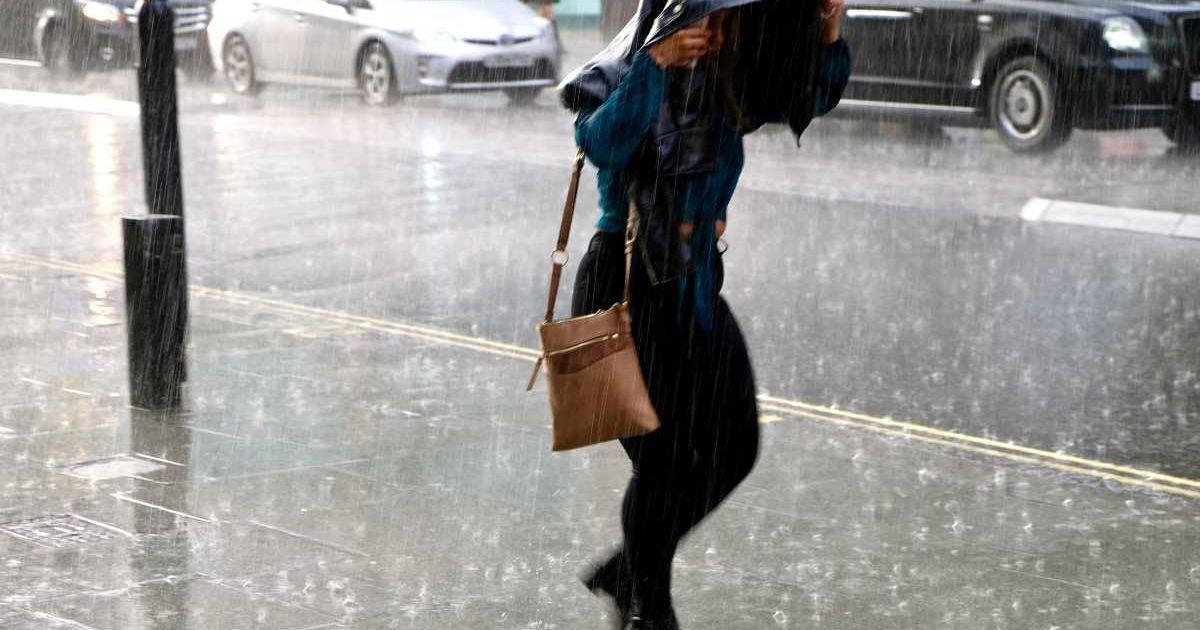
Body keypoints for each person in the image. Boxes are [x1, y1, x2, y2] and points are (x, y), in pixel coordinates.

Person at [558, 0, 852, 628]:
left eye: (730, 19)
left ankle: (628, 570)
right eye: (707, 18)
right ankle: (647, 606)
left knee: (735, 445)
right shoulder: (623, 71)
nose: (718, 31)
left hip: (691, 286)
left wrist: (826, 32)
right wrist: (654, 65)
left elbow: (808, 96)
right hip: (628, 287)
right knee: (665, 461)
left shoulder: (726, 81)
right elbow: (601, 142)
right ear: (670, 16)